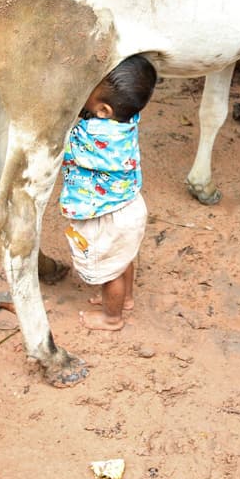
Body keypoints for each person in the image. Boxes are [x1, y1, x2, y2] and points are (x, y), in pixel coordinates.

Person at [60, 54, 157, 331]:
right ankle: (126, 299)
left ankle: (111, 318)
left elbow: (62, 142)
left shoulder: (90, 137)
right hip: (129, 204)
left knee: (108, 272)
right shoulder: (128, 119)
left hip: (106, 214)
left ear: (103, 110)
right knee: (123, 258)